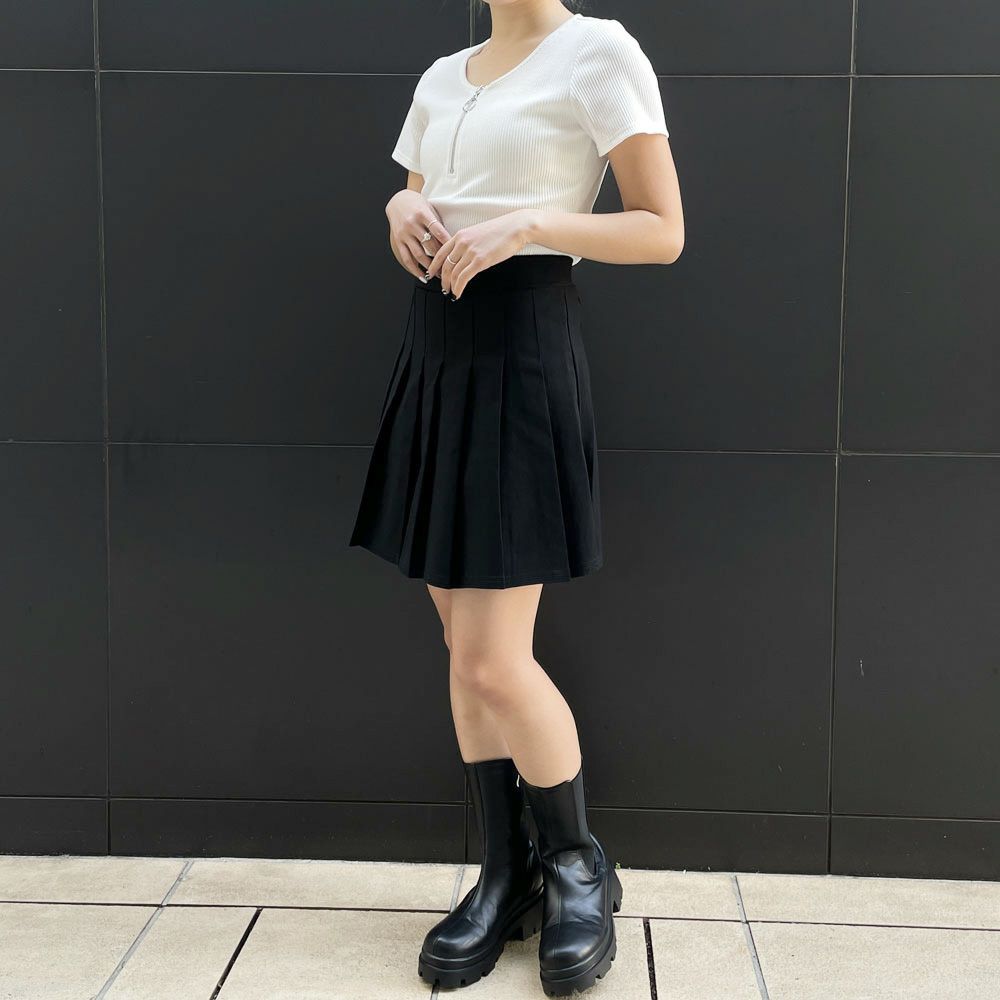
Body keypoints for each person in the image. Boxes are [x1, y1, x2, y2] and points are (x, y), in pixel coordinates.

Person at [348, 0, 684, 994]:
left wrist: (531, 224)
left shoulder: (597, 50)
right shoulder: (441, 74)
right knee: (464, 649)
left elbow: (662, 230)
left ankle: (578, 866)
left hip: (522, 342)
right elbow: (421, 200)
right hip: (437, 350)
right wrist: (398, 209)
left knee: (494, 658)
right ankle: (508, 873)